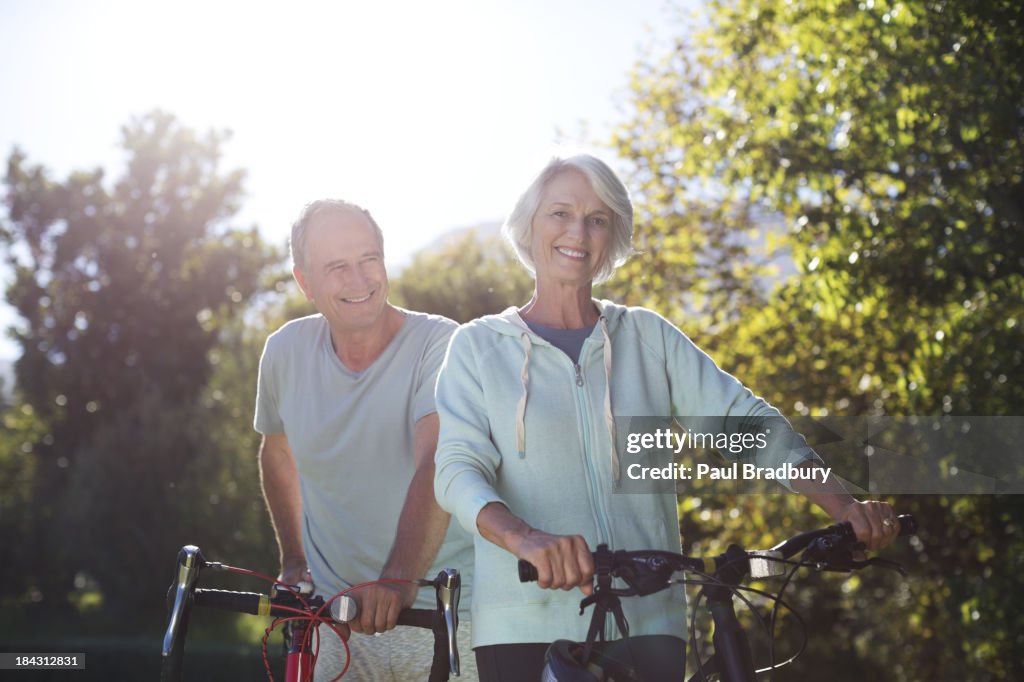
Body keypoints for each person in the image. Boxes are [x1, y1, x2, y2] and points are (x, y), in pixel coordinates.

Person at [432, 154, 901, 680]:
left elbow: (743, 422)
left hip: (650, 620)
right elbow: (456, 471)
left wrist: (842, 505)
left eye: (598, 218)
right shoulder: (476, 347)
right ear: (529, 225)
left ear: (613, 236)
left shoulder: (646, 337)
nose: (578, 233)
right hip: (523, 625)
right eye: (559, 213)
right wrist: (526, 539)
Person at [255, 199, 478, 681]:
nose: (359, 281)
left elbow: (437, 460)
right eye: (336, 267)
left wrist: (397, 581)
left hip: (443, 619)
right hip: (337, 625)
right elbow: (278, 452)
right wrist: (294, 560)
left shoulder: (441, 344)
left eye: (368, 259)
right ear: (304, 282)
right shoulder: (284, 352)